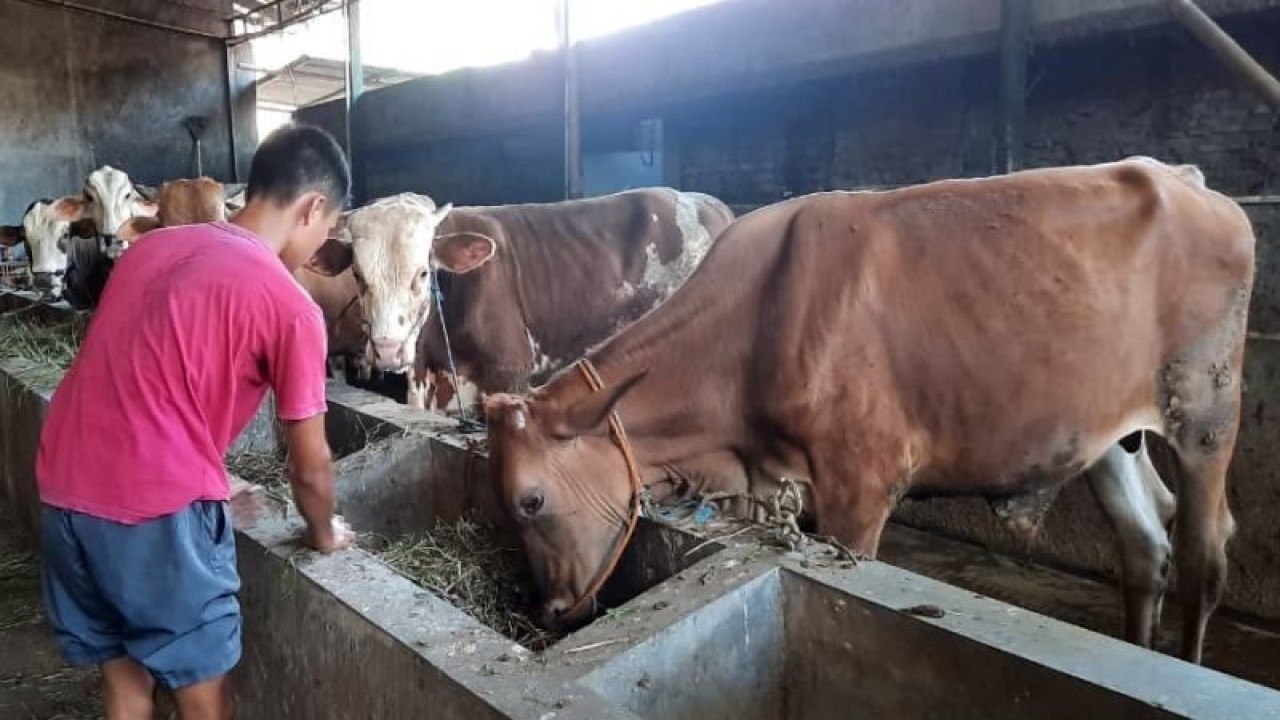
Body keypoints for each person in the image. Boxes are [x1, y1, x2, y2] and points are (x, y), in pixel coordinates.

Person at [34, 123, 358, 720]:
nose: (320, 247)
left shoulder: (152, 249)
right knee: (203, 695)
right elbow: (309, 466)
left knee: (126, 681)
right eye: (329, 227)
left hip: (64, 492)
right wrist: (322, 532)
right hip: (154, 514)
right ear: (313, 207)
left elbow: (144, 376)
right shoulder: (290, 306)